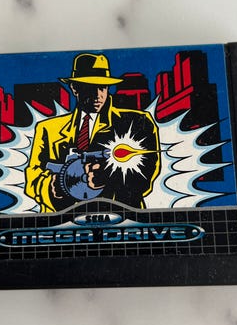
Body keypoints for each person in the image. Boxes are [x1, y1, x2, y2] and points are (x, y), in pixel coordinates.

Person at [24, 53, 160, 212]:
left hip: (119, 218)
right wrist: (51, 188)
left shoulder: (137, 122)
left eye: (102, 87)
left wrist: (109, 177)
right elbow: (33, 176)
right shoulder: (48, 129)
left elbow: (146, 173)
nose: (97, 95)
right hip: (63, 220)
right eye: (90, 87)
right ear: (74, 88)